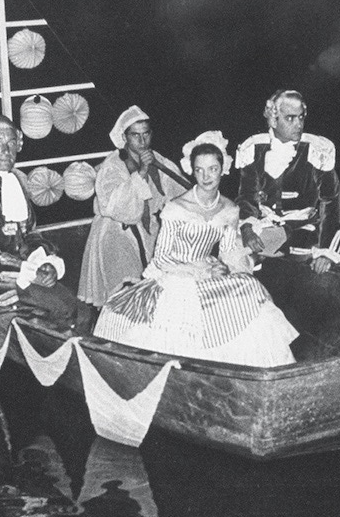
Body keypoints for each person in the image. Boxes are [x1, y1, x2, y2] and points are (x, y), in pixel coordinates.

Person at [94, 132, 297, 366]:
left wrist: (227, 267)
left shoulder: (230, 209)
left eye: (212, 169)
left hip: (209, 274)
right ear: (192, 170)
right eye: (199, 170)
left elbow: (230, 252)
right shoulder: (177, 207)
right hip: (176, 276)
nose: (205, 176)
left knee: (250, 289)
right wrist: (201, 270)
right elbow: (161, 259)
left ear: (223, 168)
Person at [0, 115, 92, 381]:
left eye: (11, 142)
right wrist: (28, 271)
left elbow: (28, 234)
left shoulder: (17, 182)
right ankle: (47, 365)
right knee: (65, 307)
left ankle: (55, 362)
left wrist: (44, 260)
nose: (6, 149)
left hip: (20, 271)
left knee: (81, 310)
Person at [78, 105, 187, 307]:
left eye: (146, 134)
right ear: (125, 137)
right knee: (125, 296)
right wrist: (142, 173)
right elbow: (116, 206)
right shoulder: (112, 165)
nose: (142, 140)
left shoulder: (159, 161)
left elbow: (180, 193)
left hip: (148, 235)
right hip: (116, 235)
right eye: (135, 135)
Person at [234, 89, 340, 274]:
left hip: (303, 234)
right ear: (273, 119)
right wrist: (247, 229)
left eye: (301, 117)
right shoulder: (254, 148)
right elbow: (247, 196)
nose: (298, 125)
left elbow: (331, 205)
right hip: (264, 229)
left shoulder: (318, 152)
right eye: (290, 118)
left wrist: (326, 252)